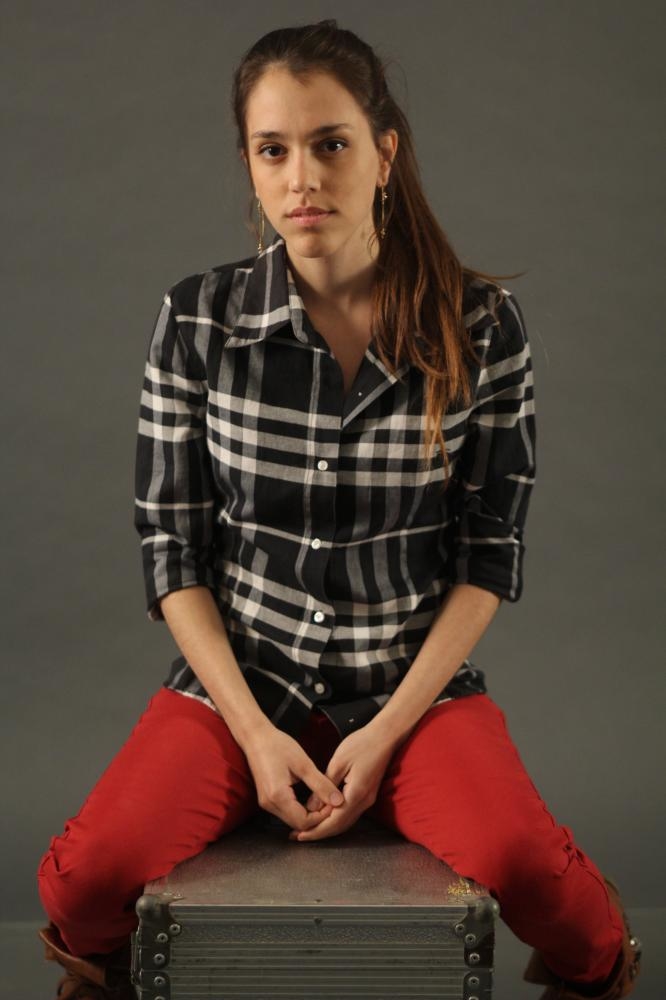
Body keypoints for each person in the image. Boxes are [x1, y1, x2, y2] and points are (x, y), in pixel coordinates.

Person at [36, 18, 641, 1000]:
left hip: (410, 693)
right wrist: (253, 735)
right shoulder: (196, 322)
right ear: (250, 163)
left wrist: (390, 730)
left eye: (331, 144)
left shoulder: (483, 329)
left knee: (530, 871)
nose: (303, 178)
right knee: (80, 880)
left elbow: (487, 558)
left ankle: (607, 968)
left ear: (384, 153)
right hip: (241, 691)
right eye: (273, 150)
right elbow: (172, 551)